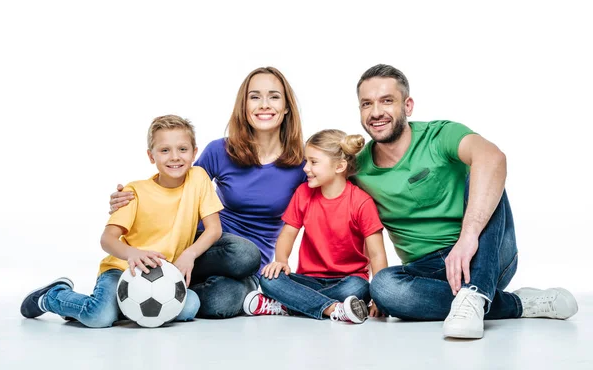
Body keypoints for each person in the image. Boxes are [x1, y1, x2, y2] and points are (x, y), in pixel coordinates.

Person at [352, 64, 579, 338]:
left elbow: (494, 158)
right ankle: (512, 303)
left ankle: (476, 292)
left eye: (387, 101)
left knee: (484, 171)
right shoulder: (359, 168)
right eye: (367, 104)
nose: (376, 112)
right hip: (427, 273)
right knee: (384, 287)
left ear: (407, 106)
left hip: (484, 252)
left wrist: (468, 238)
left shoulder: (440, 135)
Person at [109, 67, 306, 318]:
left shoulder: (302, 163)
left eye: (274, 96)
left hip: (252, 264)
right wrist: (133, 197)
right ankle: (155, 286)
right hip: (205, 249)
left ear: (287, 107)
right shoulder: (220, 150)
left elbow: (327, 205)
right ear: (243, 107)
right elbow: (178, 183)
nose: (264, 105)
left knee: (221, 300)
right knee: (241, 253)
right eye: (255, 97)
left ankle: (177, 293)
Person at [20, 115, 222, 327]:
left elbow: (213, 229)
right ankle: (54, 295)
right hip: (123, 268)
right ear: (151, 156)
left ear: (194, 153)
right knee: (99, 317)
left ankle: (125, 308)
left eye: (182, 149)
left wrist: (189, 255)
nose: (175, 157)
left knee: (190, 306)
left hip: (162, 275)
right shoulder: (133, 192)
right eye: (164, 150)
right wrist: (132, 253)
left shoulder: (198, 179)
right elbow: (107, 239)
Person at [243, 130, 388, 324]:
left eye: (313, 162)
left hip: (348, 280)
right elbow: (287, 235)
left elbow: (377, 254)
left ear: (339, 166)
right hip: (308, 280)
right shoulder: (303, 193)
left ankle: (289, 305)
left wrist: (379, 297)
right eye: (306, 161)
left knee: (358, 289)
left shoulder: (361, 202)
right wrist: (281, 261)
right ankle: (334, 309)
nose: (305, 168)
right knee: (269, 279)